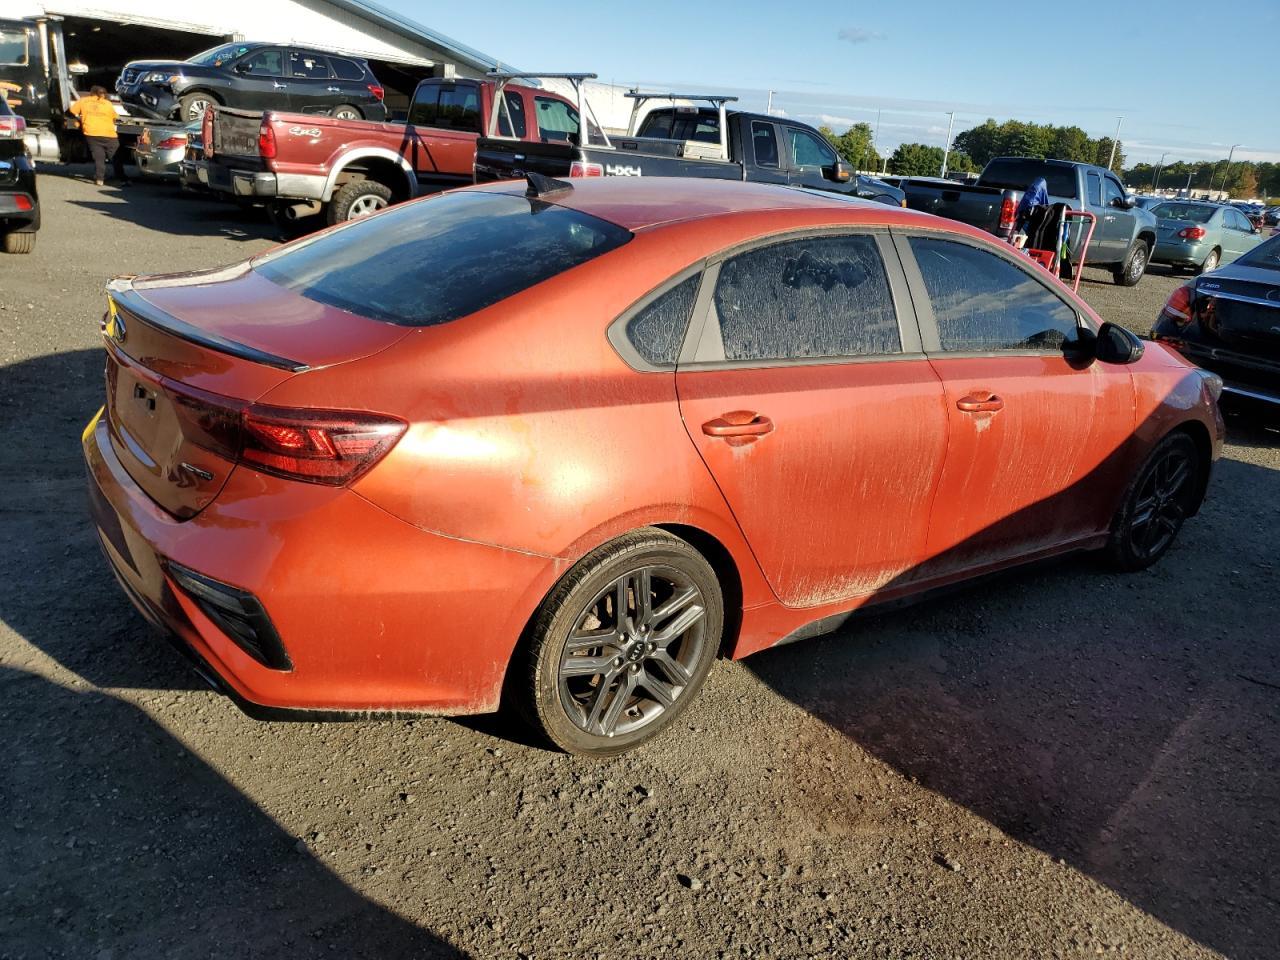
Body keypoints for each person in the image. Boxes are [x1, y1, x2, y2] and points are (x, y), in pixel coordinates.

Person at [68, 86, 126, 186]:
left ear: (92, 93)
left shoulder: (83, 101)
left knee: (99, 157)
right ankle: (121, 178)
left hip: (91, 133)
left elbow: (72, 111)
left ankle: (100, 179)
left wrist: (79, 120)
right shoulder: (107, 103)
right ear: (104, 94)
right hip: (109, 134)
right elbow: (115, 117)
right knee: (115, 156)